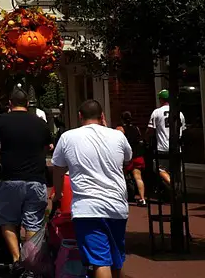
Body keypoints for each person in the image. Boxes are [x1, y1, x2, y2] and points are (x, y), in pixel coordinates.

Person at [52, 99, 131, 278]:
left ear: (80, 116)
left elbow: (58, 168)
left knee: (100, 261)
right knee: (116, 259)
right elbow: (127, 158)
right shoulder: (117, 136)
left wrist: (58, 192)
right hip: (117, 206)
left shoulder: (68, 137)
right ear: (102, 116)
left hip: (88, 208)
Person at [0, 89, 53, 276]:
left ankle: (16, 259)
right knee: (33, 222)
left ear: (10, 103)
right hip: (36, 179)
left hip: (10, 178)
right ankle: (28, 260)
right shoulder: (40, 123)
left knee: (7, 219)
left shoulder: (0, 121)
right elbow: (48, 147)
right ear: (28, 103)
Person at [149, 89, 186, 189]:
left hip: (162, 148)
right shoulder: (179, 114)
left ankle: (173, 187)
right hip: (177, 148)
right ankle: (176, 190)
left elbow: (150, 131)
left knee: (158, 168)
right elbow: (183, 131)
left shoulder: (156, 112)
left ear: (161, 99)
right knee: (177, 171)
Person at [117, 111, 148, 206]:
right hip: (138, 155)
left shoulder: (120, 129)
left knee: (122, 177)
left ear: (121, 119)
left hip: (127, 156)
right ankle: (142, 199)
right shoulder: (136, 128)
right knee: (138, 177)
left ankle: (122, 198)